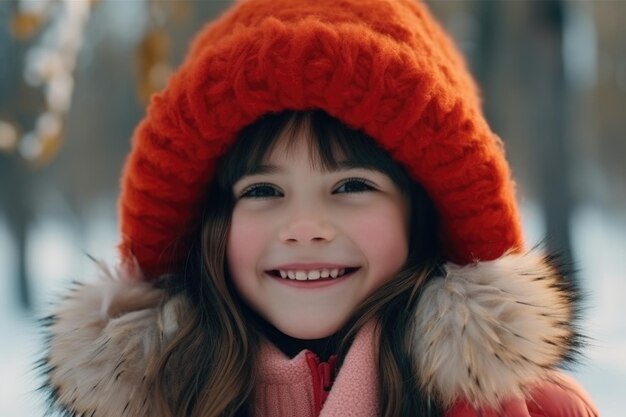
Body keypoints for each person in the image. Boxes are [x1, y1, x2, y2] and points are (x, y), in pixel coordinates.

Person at [40, 0, 599, 416]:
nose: (305, 227)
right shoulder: (155, 402)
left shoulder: (536, 408)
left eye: (352, 185)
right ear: (213, 224)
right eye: (263, 191)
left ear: (420, 210)